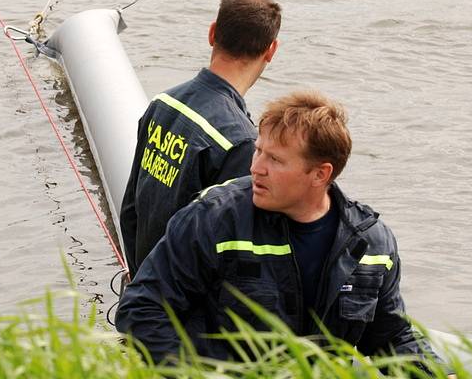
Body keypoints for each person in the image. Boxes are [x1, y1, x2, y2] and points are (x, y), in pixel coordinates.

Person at [116, 90, 449, 372]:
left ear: (320, 174)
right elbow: (141, 311)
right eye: (258, 150)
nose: (255, 167)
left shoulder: (372, 246)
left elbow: (390, 336)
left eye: (274, 159)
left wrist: (437, 372)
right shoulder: (213, 219)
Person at [119, 0, 281, 275]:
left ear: (212, 33)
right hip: (181, 305)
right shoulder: (241, 142)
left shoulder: (162, 104)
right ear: (271, 50)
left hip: (146, 289)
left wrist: (139, 288)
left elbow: (130, 209)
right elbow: (233, 250)